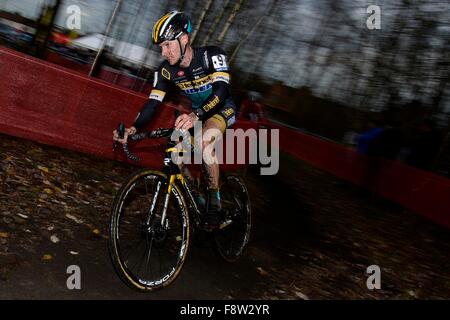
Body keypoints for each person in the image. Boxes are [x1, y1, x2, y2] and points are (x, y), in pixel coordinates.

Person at [113, 11, 237, 227]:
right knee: (175, 157)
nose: (163, 52)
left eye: (167, 45)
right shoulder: (165, 71)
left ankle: (215, 202)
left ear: (184, 39)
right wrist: (134, 128)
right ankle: (197, 202)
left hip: (221, 107)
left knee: (203, 141)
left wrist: (196, 115)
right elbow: (153, 103)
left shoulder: (211, 55)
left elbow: (221, 90)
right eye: (160, 47)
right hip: (195, 114)